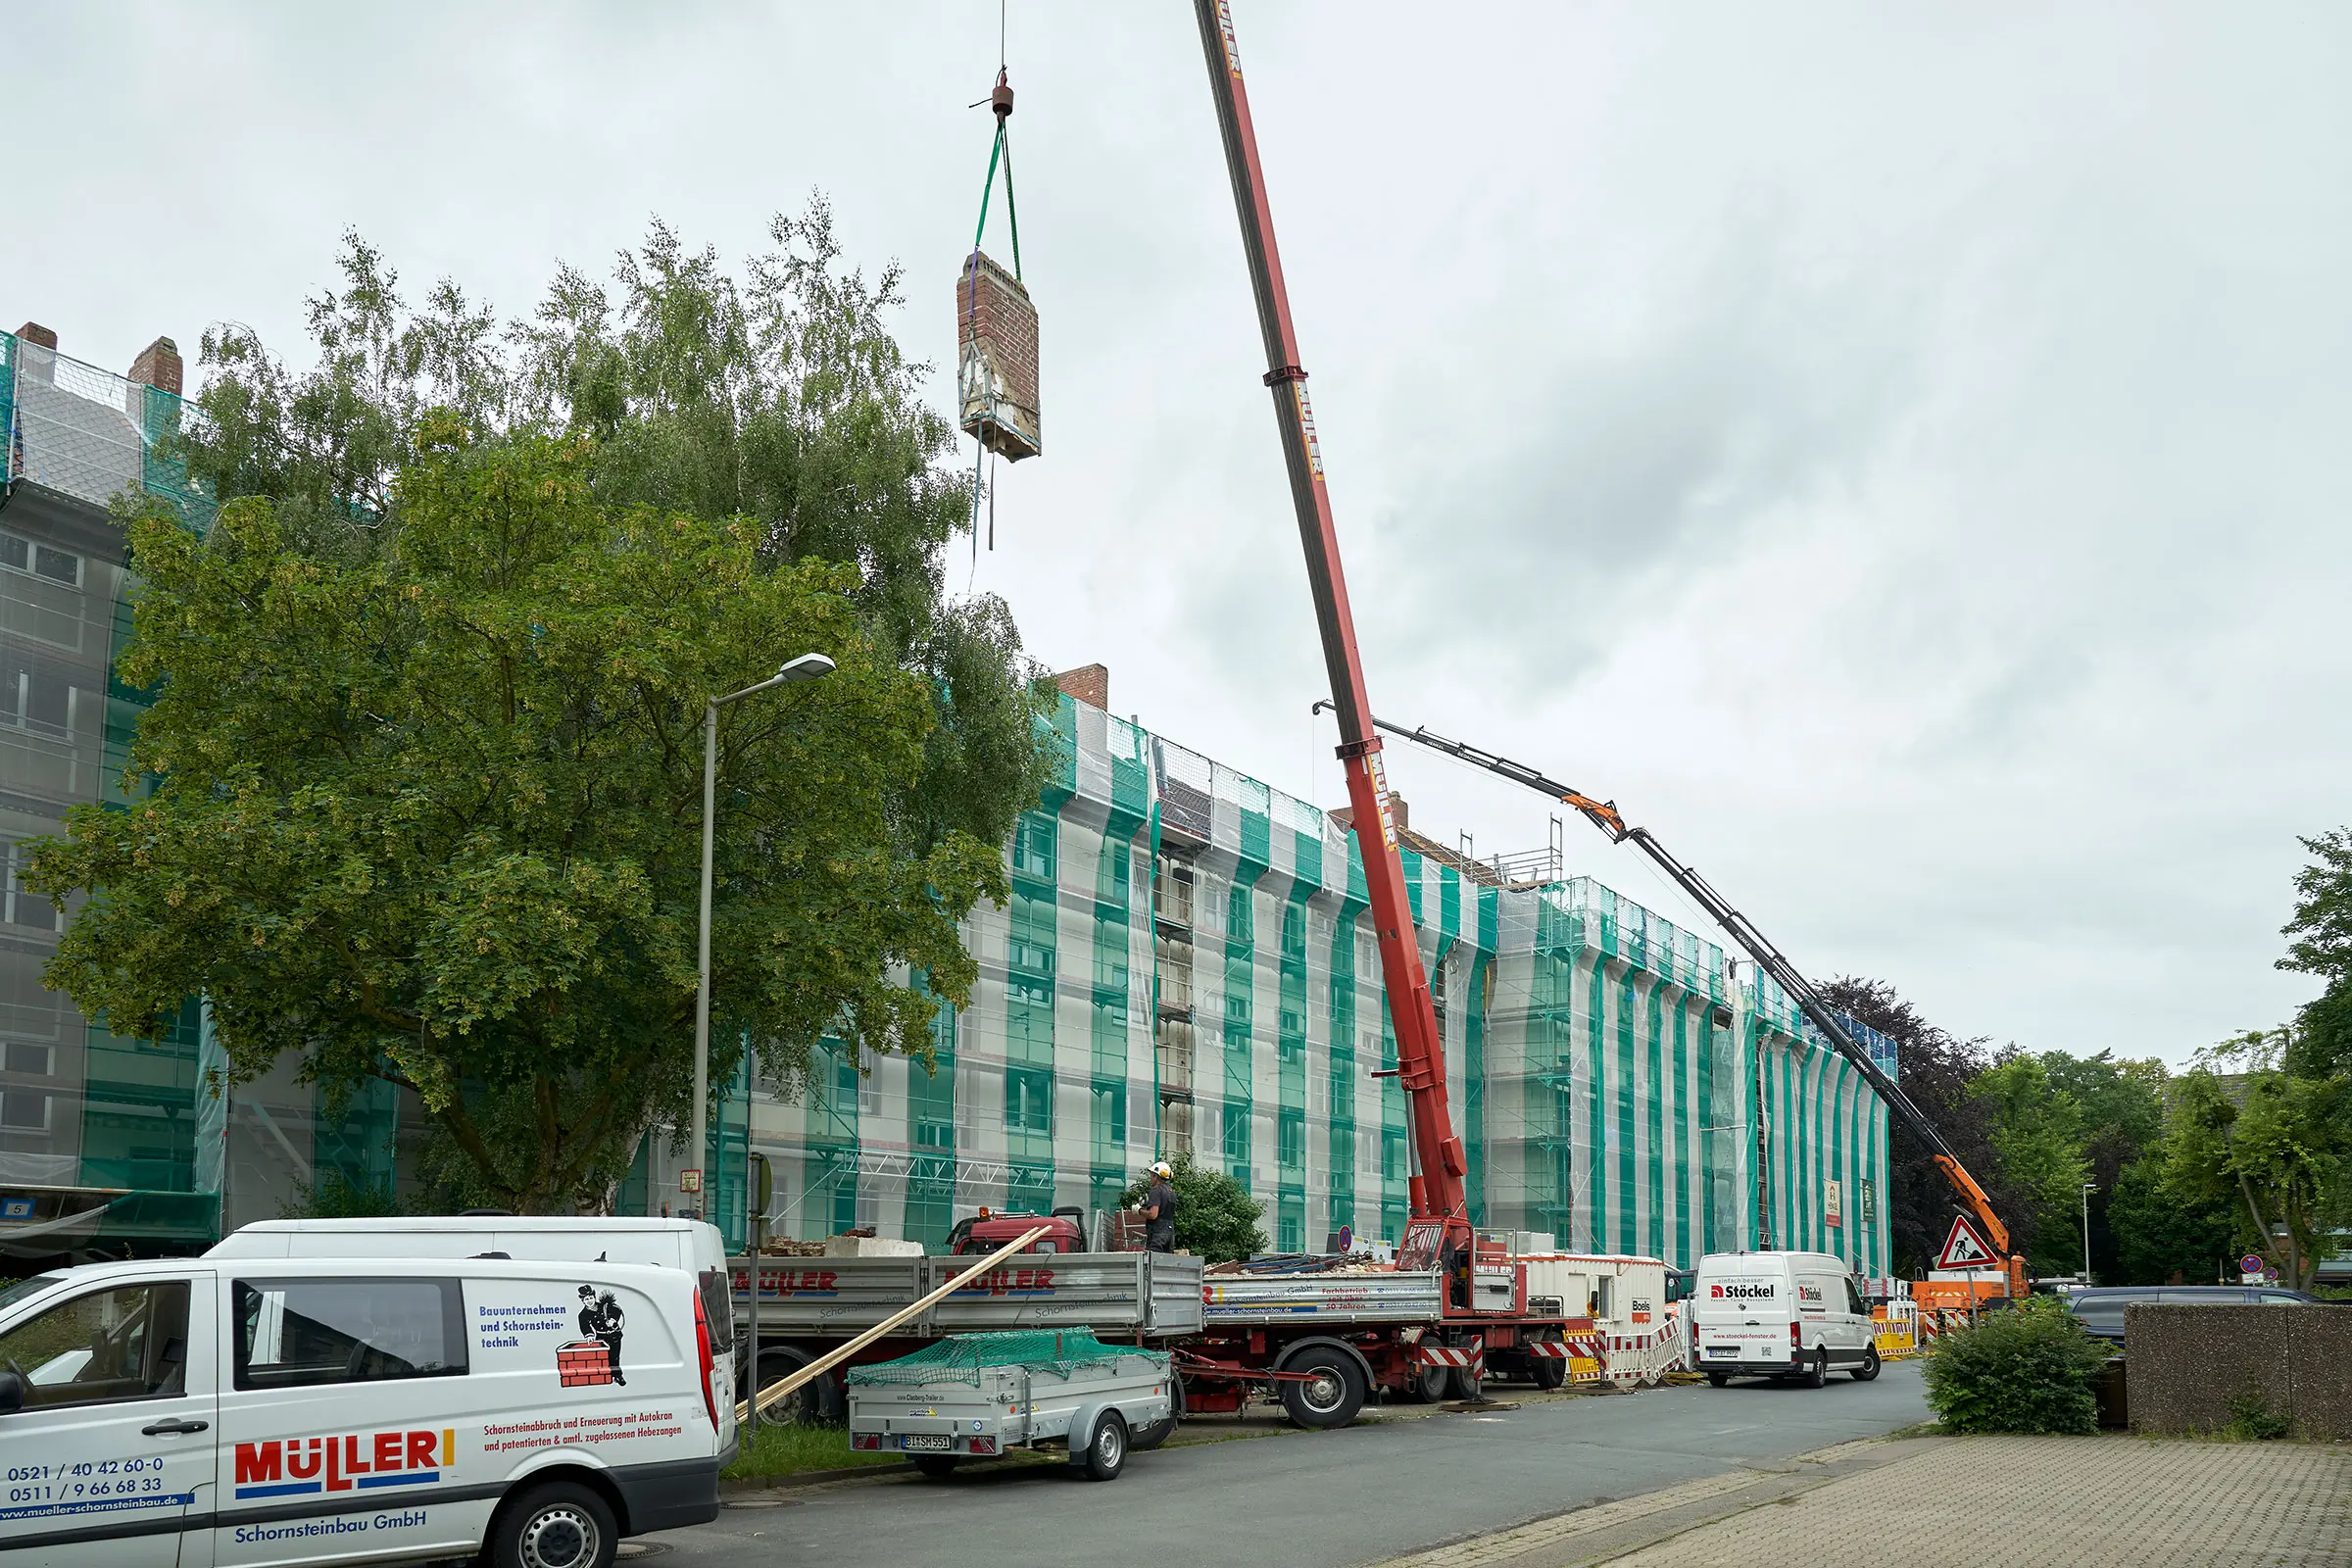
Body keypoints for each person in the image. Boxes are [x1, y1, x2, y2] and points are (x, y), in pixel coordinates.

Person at [577, 1284, 626, 1386]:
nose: (589, 1301)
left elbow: (617, 1310)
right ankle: (606, 1375)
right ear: (583, 1301)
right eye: (586, 1299)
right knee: (604, 1357)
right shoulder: (583, 1314)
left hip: (614, 1335)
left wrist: (613, 1320)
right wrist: (589, 1335)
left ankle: (617, 1376)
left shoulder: (604, 1306)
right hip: (601, 1338)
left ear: (594, 1297)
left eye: (591, 1298)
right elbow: (584, 1326)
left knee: (615, 1357)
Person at [1141, 1161, 1178, 1253]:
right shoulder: (1171, 1191)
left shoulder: (1156, 1190)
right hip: (1169, 1234)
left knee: (1153, 1263)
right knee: (1166, 1264)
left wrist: (1139, 1210)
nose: (1150, 1178)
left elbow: (1153, 1215)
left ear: (1156, 1176)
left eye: (1151, 1175)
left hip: (1158, 1234)